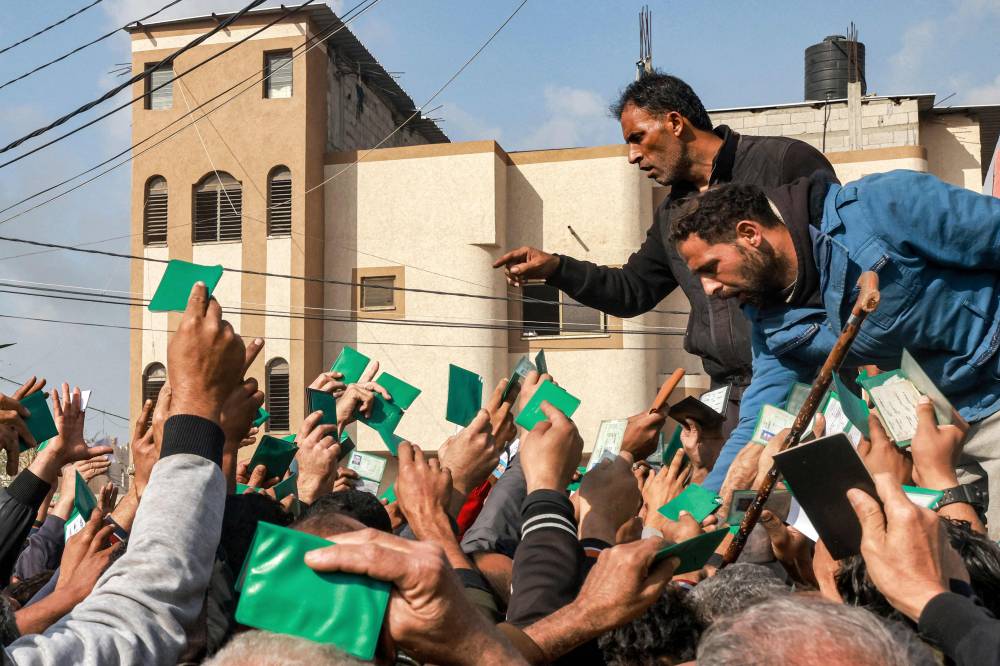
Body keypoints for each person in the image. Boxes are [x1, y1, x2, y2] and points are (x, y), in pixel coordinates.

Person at [492, 71, 836, 489]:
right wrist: (556, 268)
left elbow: (838, 266)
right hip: (727, 400)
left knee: (803, 512)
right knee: (724, 514)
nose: (633, 157)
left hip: (803, 379)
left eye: (637, 137)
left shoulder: (784, 163)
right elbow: (632, 290)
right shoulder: (674, 214)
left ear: (675, 123)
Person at [669, 170, 1000, 534]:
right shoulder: (770, 321)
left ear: (750, 234)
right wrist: (690, 515)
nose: (709, 288)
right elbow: (759, 421)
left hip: (994, 399)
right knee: (962, 570)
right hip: (933, 438)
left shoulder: (880, 206)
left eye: (710, 268)